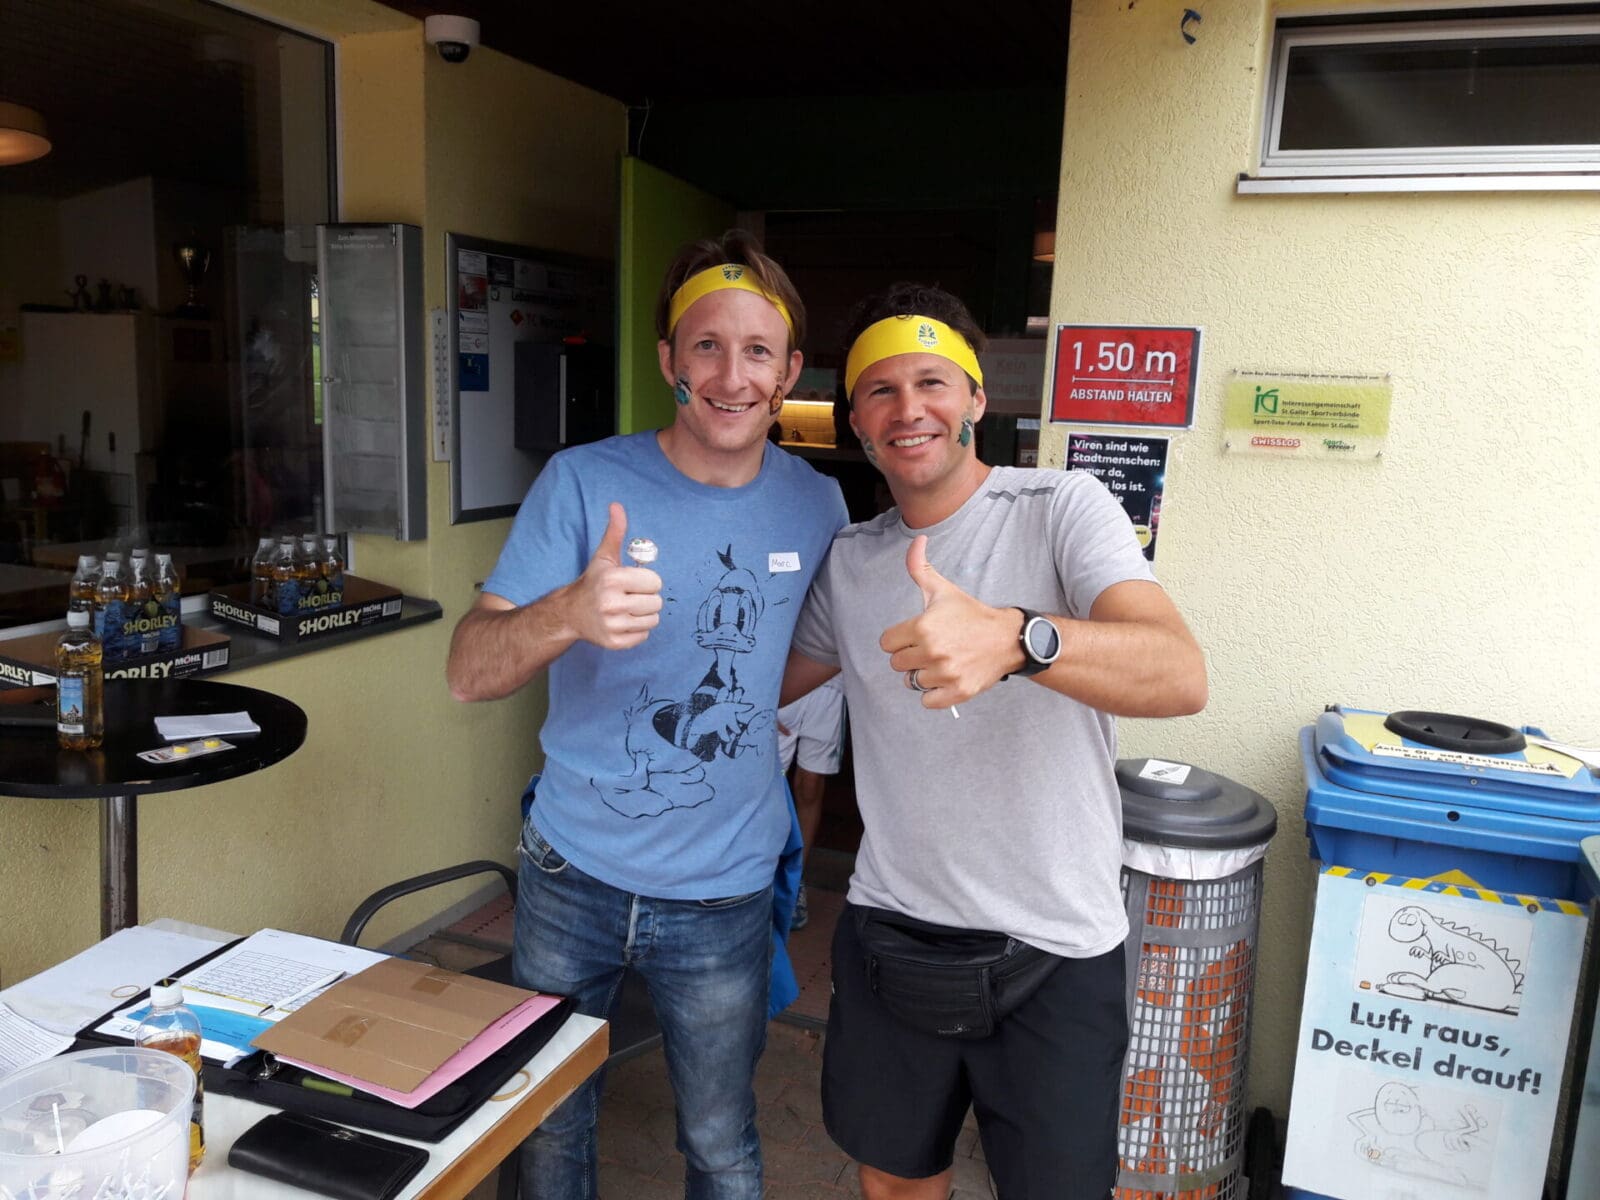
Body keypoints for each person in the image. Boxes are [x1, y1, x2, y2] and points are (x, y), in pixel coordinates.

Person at [782, 283, 1207, 1200]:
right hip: (894, 928)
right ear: (855, 419)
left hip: (1055, 944)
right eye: (880, 390)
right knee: (895, 1183)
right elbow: (758, 686)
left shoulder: (1061, 507)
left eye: (932, 382)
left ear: (976, 397)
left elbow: (1179, 673)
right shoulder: (852, 559)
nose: (908, 408)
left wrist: (1021, 639)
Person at [446, 230, 848, 1200]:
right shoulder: (584, 482)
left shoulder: (819, 505)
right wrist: (566, 613)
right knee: (546, 1126)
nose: (731, 376)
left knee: (719, 1142)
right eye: (706, 345)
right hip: (569, 875)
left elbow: (821, 650)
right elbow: (467, 671)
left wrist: (727, 705)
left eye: (757, 352)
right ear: (669, 360)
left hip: (723, 893)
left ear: (789, 372)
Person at [774, 673, 846, 928]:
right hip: (786, 679)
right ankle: (763, 877)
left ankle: (794, 883)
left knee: (810, 786)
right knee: (772, 784)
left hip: (832, 683)